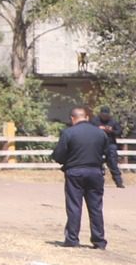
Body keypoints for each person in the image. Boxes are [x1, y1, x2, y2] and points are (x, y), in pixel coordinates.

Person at [52, 104, 123, 248]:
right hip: (95, 172)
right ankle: (99, 241)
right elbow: (107, 153)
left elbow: (58, 155)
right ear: (87, 117)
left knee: (74, 206)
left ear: (73, 118)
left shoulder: (68, 133)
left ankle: (72, 239)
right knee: (96, 207)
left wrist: (68, 161)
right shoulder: (100, 133)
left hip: (75, 172)